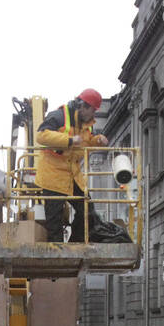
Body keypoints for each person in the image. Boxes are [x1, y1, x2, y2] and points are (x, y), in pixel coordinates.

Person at [35, 89, 108, 243]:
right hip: (53, 174)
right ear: (83, 106)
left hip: (72, 174)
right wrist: (69, 140)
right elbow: (41, 135)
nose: (93, 115)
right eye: (93, 110)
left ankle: (75, 244)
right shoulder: (59, 116)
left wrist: (97, 140)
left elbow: (85, 142)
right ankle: (58, 253)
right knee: (54, 220)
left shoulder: (86, 125)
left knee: (88, 211)